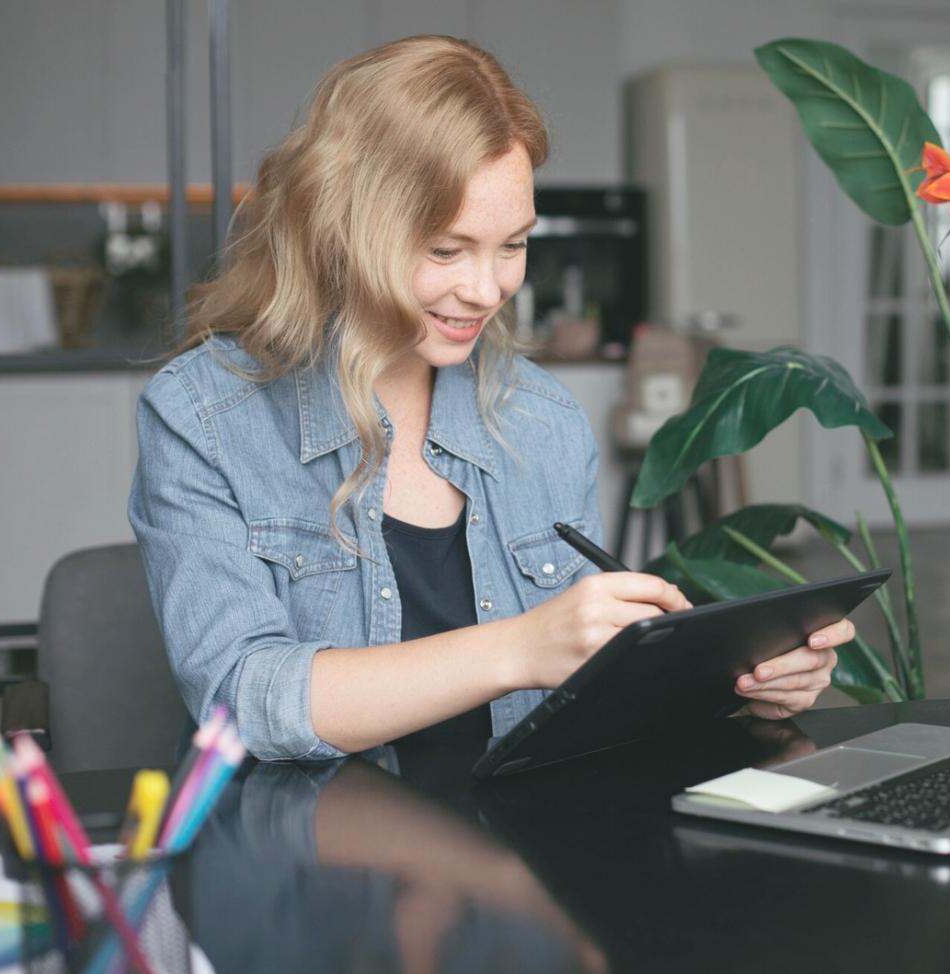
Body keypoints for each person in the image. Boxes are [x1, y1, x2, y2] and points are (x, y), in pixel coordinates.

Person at [128, 35, 850, 763]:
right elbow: (243, 699)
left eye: (513, 245)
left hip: (518, 850)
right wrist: (518, 649)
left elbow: (590, 692)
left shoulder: (543, 421)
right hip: (311, 858)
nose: (488, 289)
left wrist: (737, 678)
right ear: (340, 229)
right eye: (447, 250)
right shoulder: (203, 416)